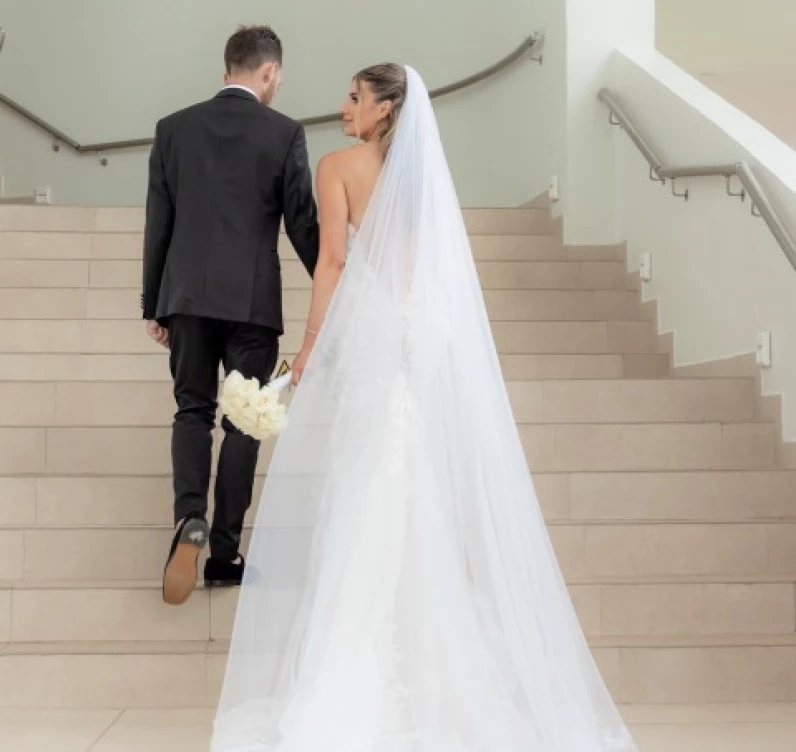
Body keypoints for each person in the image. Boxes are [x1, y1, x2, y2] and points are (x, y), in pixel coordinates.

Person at [211, 65, 638, 750]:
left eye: (355, 97)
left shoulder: (338, 167)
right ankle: (438, 670)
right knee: (408, 488)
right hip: (416, 332)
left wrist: (311, 344)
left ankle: (354, 675)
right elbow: (428, 270)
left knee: (368, 489)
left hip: (373, 330)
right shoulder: (422, 181)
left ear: (383, 111)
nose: (344, 105)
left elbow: (332, 264)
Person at [141, 26, 319, 606]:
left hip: (187, 296)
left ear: (228, 72)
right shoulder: (284, 132)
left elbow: (158, 226)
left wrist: (154, 303)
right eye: (279, 79)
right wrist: (338, 286)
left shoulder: (173, 130)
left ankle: (188, 518)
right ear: (268, 73)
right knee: (245, 421)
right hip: (251, 304)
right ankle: (224, 552)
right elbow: (302, 224)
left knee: (192, 410)